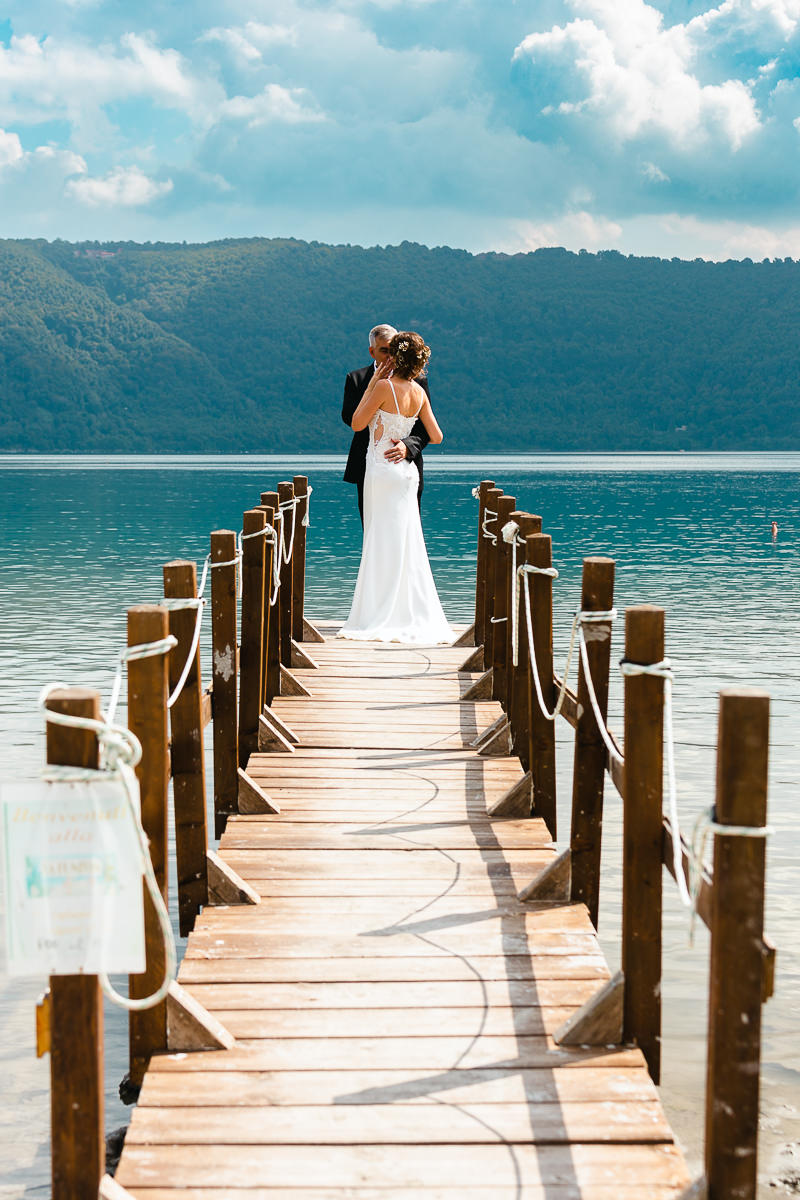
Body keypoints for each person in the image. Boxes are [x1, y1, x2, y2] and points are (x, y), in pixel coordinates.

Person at [339, 331, 452, 645]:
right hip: (406, 475)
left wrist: (375, 384)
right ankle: (410, 612)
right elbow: (438, 435)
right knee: (407, 540)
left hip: (382, 471)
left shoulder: (384, 386)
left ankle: (377, 613)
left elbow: (357, 423)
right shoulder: (419, 392)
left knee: (379, 539)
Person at [342, 324, 431, 526]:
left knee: (407, 526)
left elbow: (425, 427)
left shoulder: (418, 381)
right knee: (372, 527)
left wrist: (408, 445)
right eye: (384, 351)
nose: (390, 356)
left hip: (407, 464)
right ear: (372, 351)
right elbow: (349, 418)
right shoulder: (356, 379)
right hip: (369, 464)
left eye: (394, 350)